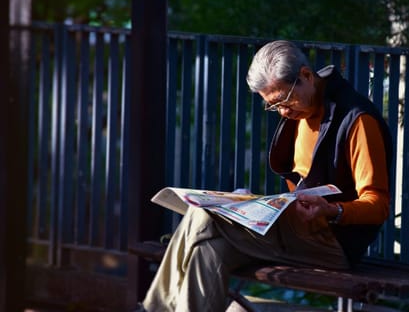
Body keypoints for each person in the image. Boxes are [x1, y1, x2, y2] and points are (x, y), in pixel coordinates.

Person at [136, 40, 392, 312]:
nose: (282, 112)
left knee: (202, 215)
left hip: (333, 243)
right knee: (208, 250)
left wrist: (332, 210)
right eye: (273, 106)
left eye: (284, 100)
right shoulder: (300, 113)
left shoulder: (358, 121)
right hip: (293, 232)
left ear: (306, 75)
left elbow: (378, 205)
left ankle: (152, 310)